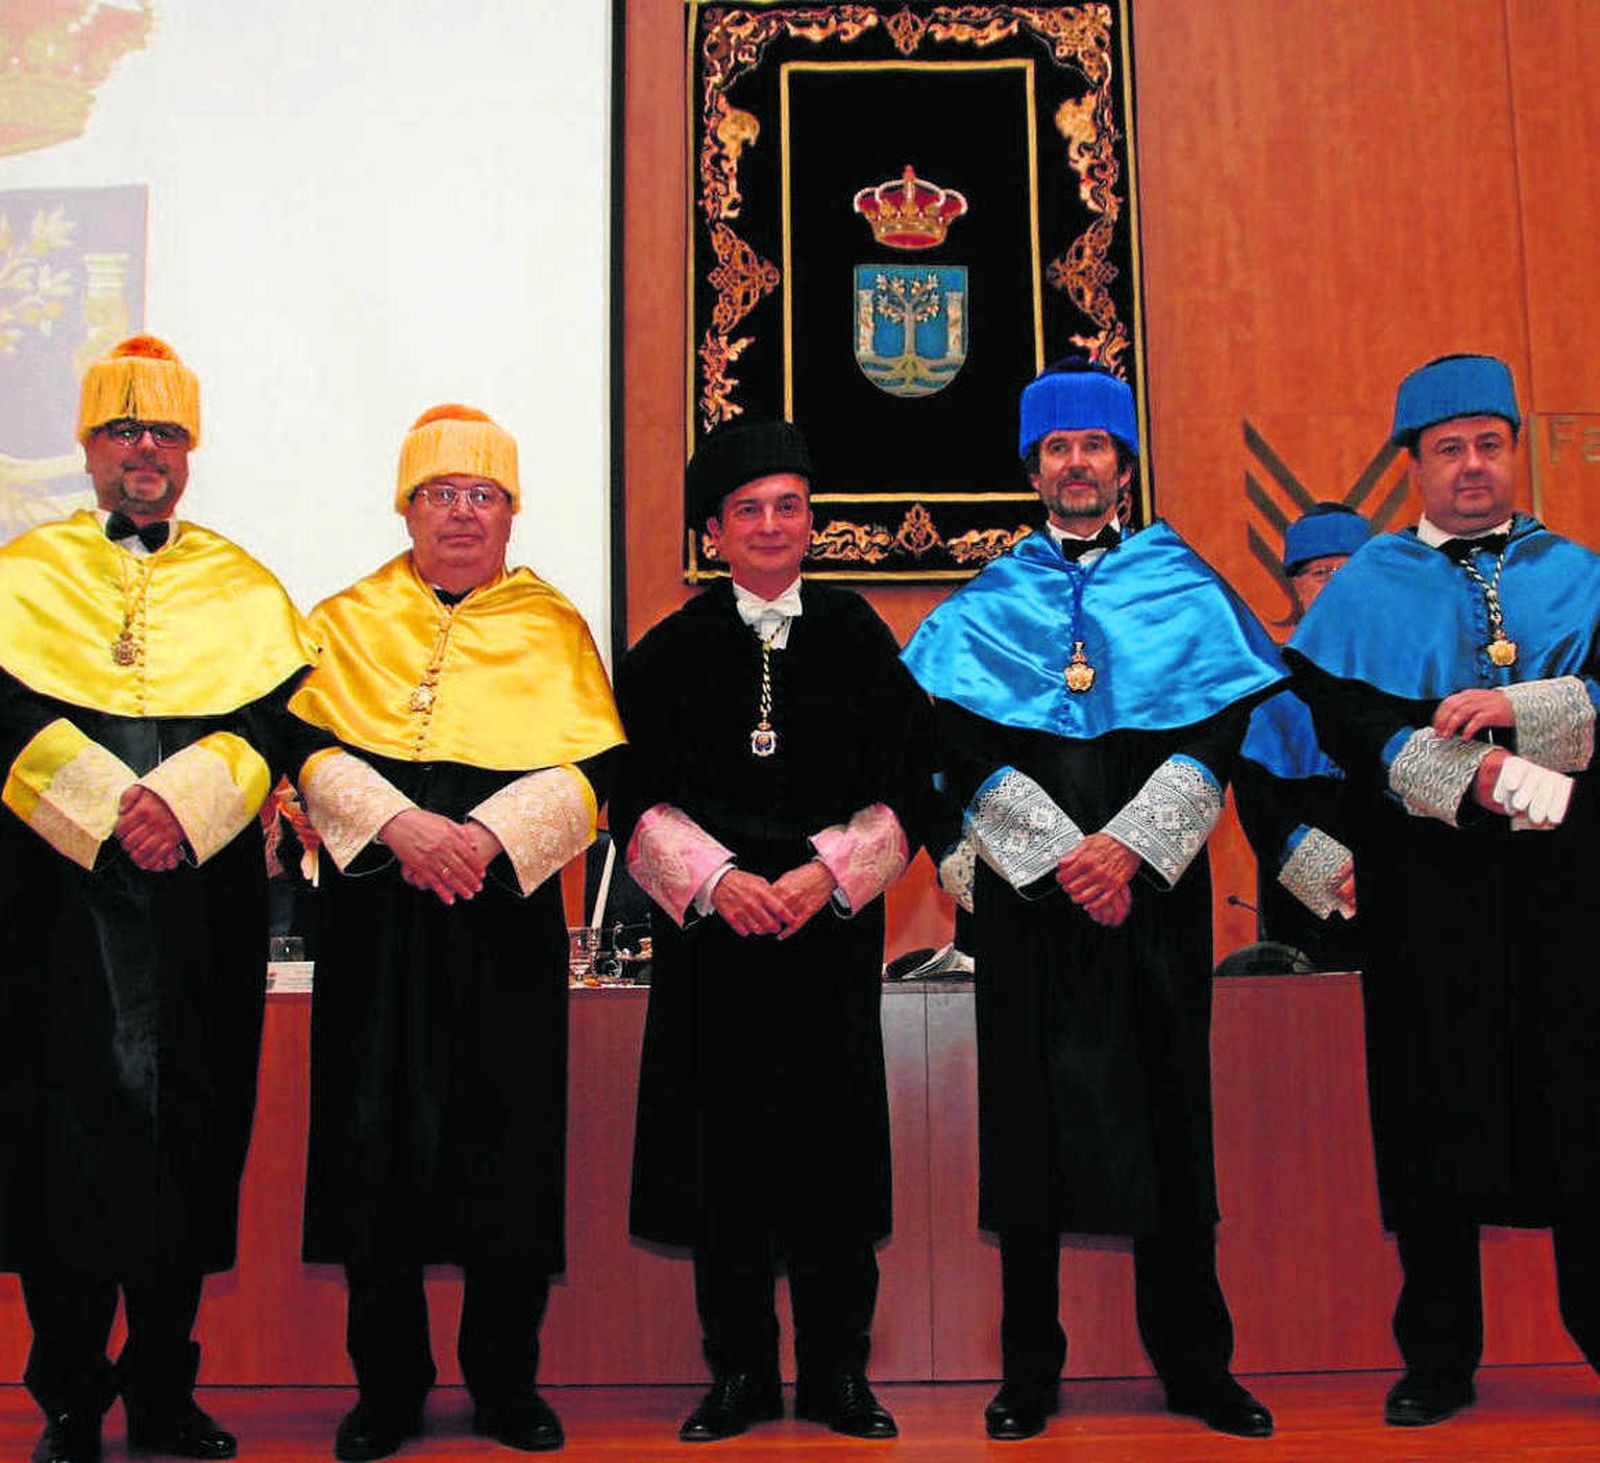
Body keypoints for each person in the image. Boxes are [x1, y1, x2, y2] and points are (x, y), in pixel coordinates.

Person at [901, 361, 1283, 1442]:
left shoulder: (1184, 585)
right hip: (1030, 907)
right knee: (1028, 1129)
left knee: (1174, 1122)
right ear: (1034, 470)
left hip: (1153, 899)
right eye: (1058, 449)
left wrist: (1125, 851)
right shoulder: (987, 603)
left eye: (1096, 447)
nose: (1077, 465)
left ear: (1123, 464)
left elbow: (1217, 731)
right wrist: (1061, 856)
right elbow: (948, 742)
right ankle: (1029, 1370)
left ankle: (1197, 1364)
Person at [0, 336, 319, 1463]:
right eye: (126, 430)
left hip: (199, 901)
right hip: (56, 904)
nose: (147, 449)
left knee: (190, 1139)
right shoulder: (21, 573)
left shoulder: (244, 584)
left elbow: (275, 718)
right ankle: (70, 1399)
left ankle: (164, 1392)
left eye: (167, 432)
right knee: (64, 1150)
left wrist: (182, 804)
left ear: (190, 452)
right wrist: (107, 806)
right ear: (88, 447)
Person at [290, 405, 625, 1459]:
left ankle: (504, 1381)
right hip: (377, 916)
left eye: (484, 495)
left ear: (512, 513)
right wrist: (401, 824)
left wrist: (481, 836)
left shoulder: (554, 626)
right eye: (442, 494)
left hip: (502, 918)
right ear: (408, 508)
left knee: (506, 1147)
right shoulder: (344, 618)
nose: (463, 513)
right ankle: (386, 1387)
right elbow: (301, 742)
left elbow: (596, 768)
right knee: (372, 1147)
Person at [1286, 353, 1600, 1427]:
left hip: (1566, 892)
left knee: (1582, 1106)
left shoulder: (1580, 573)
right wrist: (1470, 775)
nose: (1472, 465)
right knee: (1431, 1107)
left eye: (1489, 444)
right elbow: (1347, 722)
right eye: (1448, 448)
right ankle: (1437, 1355)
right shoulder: (1367, 585)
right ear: (1413, 466)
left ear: (1515, 452)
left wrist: (1523, 711)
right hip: (1428, 895)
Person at [612, 420, 929, 1444]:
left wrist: (825, 872)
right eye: (747, 509)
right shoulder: (666, 652)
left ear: (811, 522)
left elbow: (910, 782)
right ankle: (740, 1373)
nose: (769, 524)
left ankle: (839, 1372)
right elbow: (631, 796)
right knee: (725, 1163)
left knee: (833, 1159)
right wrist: (717, 881)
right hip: (715, 949)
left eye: (788, 505)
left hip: (826, 941)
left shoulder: (857, 635)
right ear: (713, 531)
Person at [1234, 503, 1371, 970]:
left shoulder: (1413, 666)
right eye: (1320, 573)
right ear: (1295, 585)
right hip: (1306, 896)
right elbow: (1261, 808)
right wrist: (1336, 876)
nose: (1335, 584)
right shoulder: (1268, 682)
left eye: (1347, 571)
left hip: (1406, 880)